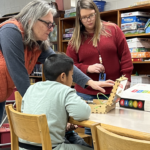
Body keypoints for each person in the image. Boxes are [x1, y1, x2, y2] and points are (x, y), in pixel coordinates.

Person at [0, 0, 115, 124]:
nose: (51, 29)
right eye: (48, 24)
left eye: (52, 25)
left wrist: (90, 82)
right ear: (31, 20)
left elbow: (61, 63)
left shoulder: (37, 41)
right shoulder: (11, 31)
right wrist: (39, 108)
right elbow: (18, 73)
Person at [66, 0, 133, 135]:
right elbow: (69, 65)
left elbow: (125, 56)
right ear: (79, 19)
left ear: (97, 13)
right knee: (93, 133)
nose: (89, 20)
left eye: (91, 15)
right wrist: (87, 68)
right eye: (84, 17)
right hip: (87, 94)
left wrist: (127, 78)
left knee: (115, 132)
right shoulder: (75, 39)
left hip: (113, 92)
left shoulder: (113, 30)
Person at [19, 53, 93, 150]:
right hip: (50, 147)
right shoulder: (64, 90)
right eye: (72, 76)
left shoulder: (32, 88)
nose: (72, 79)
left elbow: (24, 110)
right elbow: (83, 113)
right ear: (63, 76)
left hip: (23, 147)